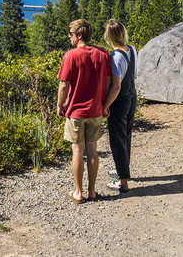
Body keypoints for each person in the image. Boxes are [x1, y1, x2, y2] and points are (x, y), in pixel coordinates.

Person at [57, 19, 111, 204]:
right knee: (93, 151)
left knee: (77, 151)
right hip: (96, 111)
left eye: (71, 34)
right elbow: (110, 82)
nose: (69, 37)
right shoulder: (103, 54)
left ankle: (78, 192)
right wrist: (105, 105)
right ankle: (92, 191)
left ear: (79, 36)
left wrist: (60, 105)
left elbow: (64, 84)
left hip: (76, 113)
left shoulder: (71, 56)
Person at [102, 19, 138, 193]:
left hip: (121, 100)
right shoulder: (131, 49)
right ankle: (123, 170)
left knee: (117, 140)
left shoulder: (115, 57)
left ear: (108, 37)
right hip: (132, 97)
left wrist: (105, 105)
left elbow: (116, 87)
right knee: (126, 136)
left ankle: (122, 181)